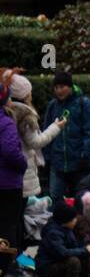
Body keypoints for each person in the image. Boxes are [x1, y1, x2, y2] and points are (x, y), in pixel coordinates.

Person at [42, 72, 90, 203]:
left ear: (70, 86)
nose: (58, 90)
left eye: (62, 86)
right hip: (58, 164)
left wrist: (85, 154)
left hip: (80, 164)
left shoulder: (83, 103)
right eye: (56, 87)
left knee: (82, 200)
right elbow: (47, 131)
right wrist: (47, 157)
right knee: (55, 199)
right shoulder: (53, 106)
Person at [5, 71, 63, 199]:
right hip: (25, 172)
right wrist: (56, 127)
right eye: (29, 91)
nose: (31, 94)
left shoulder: (6, 113)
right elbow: (35, 142)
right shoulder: (25, 116)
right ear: (24, 95)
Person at [0, 75, 28, 276]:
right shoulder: (6, 122)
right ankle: (8, 266)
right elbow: (11, 152)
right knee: (9, 225)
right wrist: (23, 163)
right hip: (8, 183)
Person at [35, 199, 89, 277]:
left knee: (84, 256)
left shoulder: (67, 229)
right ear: (65, 221)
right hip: (47, 266)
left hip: (58, 263)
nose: (76, 221)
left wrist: (86, 249)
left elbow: (74, 247)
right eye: (73, 219)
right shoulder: (53, 233)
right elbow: (61, 253)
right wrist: (84, 250)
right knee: (74, 262)